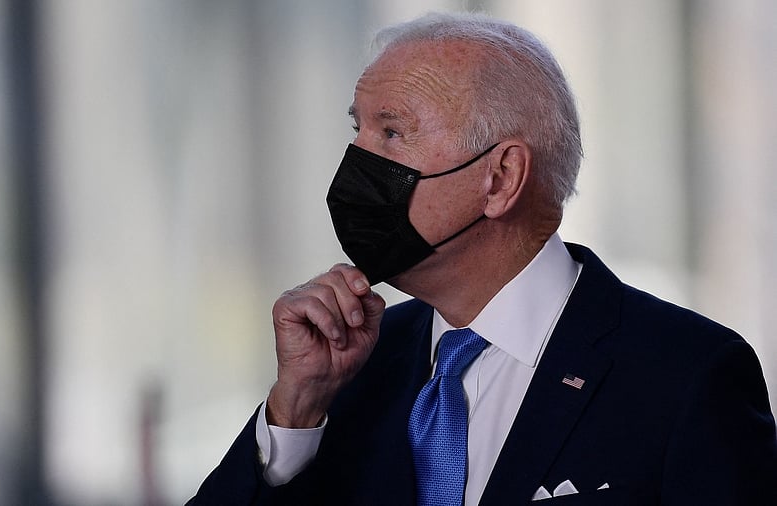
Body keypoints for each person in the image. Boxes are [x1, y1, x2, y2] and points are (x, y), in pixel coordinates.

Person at [188, 11, 777, 505]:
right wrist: (295, 412)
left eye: (391, 134)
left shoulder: (686, 374)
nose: (355, 163)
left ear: (500, 178)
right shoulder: (347, 368)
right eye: (357, 131)